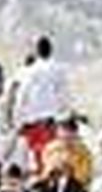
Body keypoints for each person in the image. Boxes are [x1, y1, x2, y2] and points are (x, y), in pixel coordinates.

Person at [12, 36, 71, 169]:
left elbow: (22, 95)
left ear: (36, 51)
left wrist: (18, 118)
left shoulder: (29, 71)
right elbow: (64, 94)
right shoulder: (59, 69)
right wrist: (64, 114)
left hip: (32, 120)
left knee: (35, 154)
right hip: (51, 120)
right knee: (50, 153)